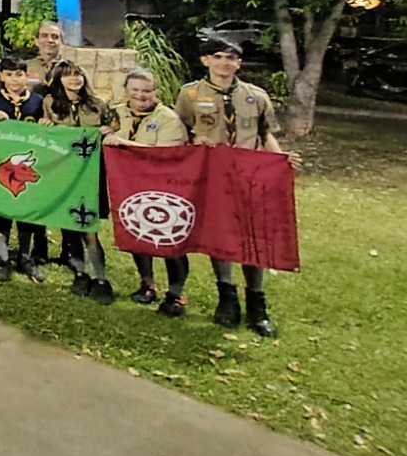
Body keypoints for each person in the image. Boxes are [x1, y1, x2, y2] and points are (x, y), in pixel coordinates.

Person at [177, 38, 299, 338]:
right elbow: (180, 130)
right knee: (221, 236)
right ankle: (226, 297)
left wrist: (280, 161)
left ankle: (257, 304)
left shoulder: (255, 96)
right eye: (217, 57)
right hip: (213, 175)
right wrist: (194, 142)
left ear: (238, 63)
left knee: (252, 237)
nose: (224, 63)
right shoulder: (189, 93)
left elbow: (266, 134)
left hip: (250, 176)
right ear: (206, 60)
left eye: (230, 58)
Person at [105, 67, 190, 314]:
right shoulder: (115, 113)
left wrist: (123, 143)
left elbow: (164, 155)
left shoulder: (169, 119)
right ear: (126, 92)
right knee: (136, 236)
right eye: (135, 91)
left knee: (170, 242)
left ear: (156, 91)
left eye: (147, 91)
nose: (141, 96)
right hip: (128, 188)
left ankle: (175, 294)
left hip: (163, 189)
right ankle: (147, 284)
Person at [41, 60, 114, 302]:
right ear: (60, 80)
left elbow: (115, 125)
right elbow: (46, 134)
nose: (75, 80)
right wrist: (46, 126)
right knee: (69, 223)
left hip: (92, 172)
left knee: (89, 226)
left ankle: (101, 278)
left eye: (78, 75)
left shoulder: (97, 105)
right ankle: (80, 272)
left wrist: (110, 131)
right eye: (69, 76)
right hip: (65, 173)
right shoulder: (51, 104)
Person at [0, 56, 46, 282]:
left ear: (26, 76)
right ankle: (3, 257)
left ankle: (25, 257)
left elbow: (47, 132)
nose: (14, 79)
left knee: (27, 213)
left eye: (19, 74)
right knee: (0, 213)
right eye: (8, 74)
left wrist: (46, 124)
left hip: (27, 167)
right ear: (0, 76)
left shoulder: (36, 100)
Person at [24, 21, 67, 88]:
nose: (50, 40)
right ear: (36, 41)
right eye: (44, 36)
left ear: (61, 42)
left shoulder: (72, 70)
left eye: (55, 37)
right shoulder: (24, 68)